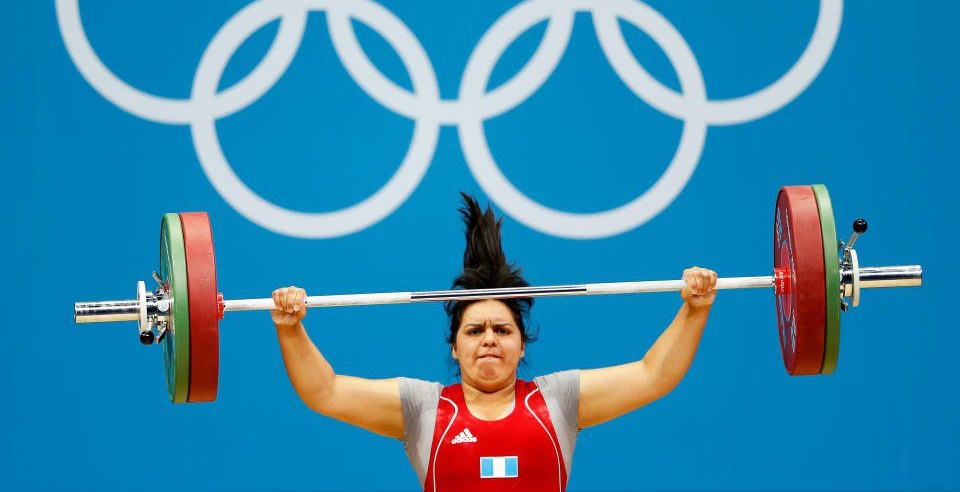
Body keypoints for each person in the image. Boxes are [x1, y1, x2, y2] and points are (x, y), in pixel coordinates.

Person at [272, 194, 717, 491]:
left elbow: (653, 374)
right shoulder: (424, 408)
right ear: (454, 346)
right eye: (474, 330)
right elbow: (323, 390)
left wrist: (694, 308)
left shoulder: (558, 400)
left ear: (523, 345)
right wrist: (290, 327)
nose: (489, 340)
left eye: (502, 331)